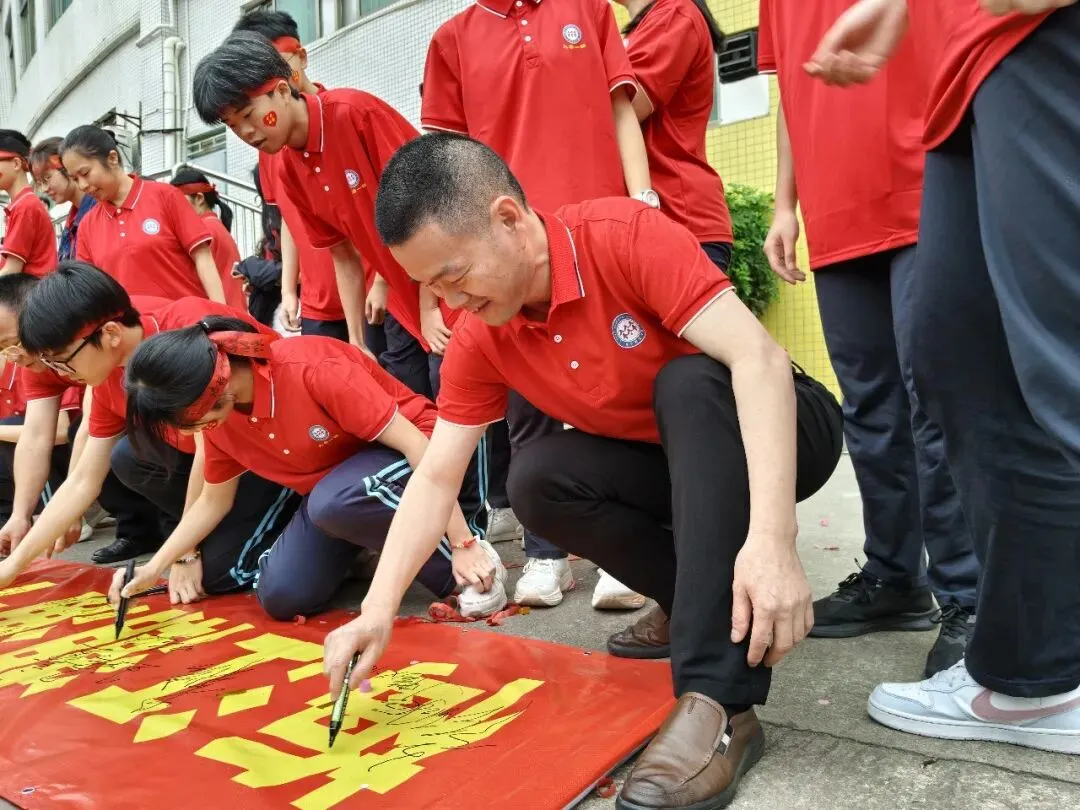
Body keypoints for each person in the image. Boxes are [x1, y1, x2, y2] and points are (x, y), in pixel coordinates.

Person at [320, 134, 843, 808]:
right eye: (430, 289)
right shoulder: (484, 334)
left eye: (454, 276)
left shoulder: (621, 237)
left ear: (508, 219)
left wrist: (772, 544)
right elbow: (437, 475)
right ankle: (702, 603)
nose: (450, 304)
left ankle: (720, 704)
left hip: (778, 427)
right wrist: (376, 610)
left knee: (687, 383)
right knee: (538, 479)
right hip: (678, 463)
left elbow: (758, 363)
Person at [806, 0, 1080, 754]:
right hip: (972, 69)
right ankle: (1034, 676)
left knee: (1059, 366)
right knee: (964, 369)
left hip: (1040, 30)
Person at [757, 0, 979, 679]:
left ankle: (971, 597)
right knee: (871, 409)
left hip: (928, 189)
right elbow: (792, 96)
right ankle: (893, 579)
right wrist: (784, 202)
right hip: (837, 216)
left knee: (935, 398)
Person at [422, 0, 655, 608]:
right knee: (530, 406)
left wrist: (642, 200)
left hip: (597, 238)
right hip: (505, 251)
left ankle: (625, 555)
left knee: (624, 395)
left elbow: (620, 107)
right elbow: (446, 170)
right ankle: (547, 555)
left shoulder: (587, 10)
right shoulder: (453, 38)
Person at [111, 318, 503, 620]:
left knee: (335, 501)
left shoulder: (311, 369)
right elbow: (212, 501)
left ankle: (472, 574)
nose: (182, 433)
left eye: (181, 421)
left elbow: (416, 446)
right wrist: (156, 566)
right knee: (282, 595)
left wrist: (462, 542)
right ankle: (367, 549)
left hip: (409, 456)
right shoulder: (220, 423)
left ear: (211, 393)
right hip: (337, 493)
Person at [0, 262, 297, 600]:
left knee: (221, 577)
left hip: (273, 453)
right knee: (127, 456)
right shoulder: (105, 366)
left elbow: (209, 450)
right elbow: (83, 478)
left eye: (62, 361)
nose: (63, 374)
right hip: (220, 470)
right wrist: (12, 568)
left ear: (110, 334)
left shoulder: (187, 335)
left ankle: (295, 518)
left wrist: (187, 552)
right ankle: (222, 527)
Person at [194, 29, 433, 400]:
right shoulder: (288, 169)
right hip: (409, 302)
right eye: (232, 126)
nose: (246, 132)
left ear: (284, 90)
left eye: (248, 115)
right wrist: (357, 342)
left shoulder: (355, 114)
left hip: (449, 288)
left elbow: (430, 204)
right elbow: (343, 256)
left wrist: (431, 302)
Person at [0, 272, 162, 564]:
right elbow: (36, 436)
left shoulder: (102, 334)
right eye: (1, 350)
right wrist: (21, 515)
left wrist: (187, 552)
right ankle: (143, 531)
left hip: (209, 437)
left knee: (113, 445)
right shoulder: (45, 361)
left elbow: (86, 429)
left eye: (12, 343)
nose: (11, 356)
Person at [230, 11, 357, 347]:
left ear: (300, 56)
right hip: (316, 302)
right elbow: (289, 217)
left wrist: (381, 284)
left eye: (278, 63)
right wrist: (289, 289)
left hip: (368, 295)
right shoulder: (269, 143)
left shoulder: (347, 115)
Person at [619, 0, 734, 272]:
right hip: (664, 219)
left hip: (680, 218)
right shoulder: (646, 27)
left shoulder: (675, 13)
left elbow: (625, 108)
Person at [61, 126, 227, 303]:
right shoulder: (88, 225)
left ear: (112, 158)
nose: (83, 185)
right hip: (132, 330)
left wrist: (220, 314)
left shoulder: (165, 196)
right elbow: (91, 291)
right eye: (75, 179)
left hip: (188, 326)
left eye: (85, 173)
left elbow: (202, 257)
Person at [169, 167, 248, 311]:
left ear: (199, 198)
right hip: (234, 313)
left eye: (179, 202)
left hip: (221, 317)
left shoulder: (203, 231)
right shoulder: (215, 226)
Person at [0, 130, 58, 278]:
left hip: (28, 294)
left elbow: (11, 271)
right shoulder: (22, 204)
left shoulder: (25, 207)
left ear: (16, 163)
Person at [29, 137, 97, 263]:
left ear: (67, 167)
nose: (44, 189)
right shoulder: (70, 223)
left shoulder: (97, 212)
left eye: (47, 178)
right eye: (39, 183)